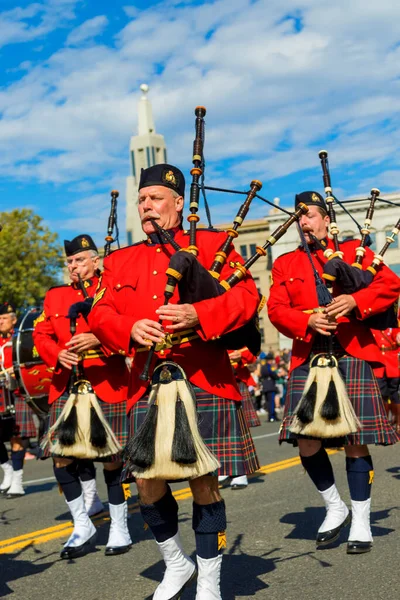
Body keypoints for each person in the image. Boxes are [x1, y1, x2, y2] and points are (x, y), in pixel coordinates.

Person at [89, 163, 260, 599]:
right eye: (141, 200)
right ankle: (176, 563)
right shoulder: (120, 259)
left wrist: (200, 314)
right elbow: (101, 313)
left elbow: (246, 297)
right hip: (146, 382)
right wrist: (127, 329)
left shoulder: (213, 243)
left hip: (202, 377)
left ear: (179, 204)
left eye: (155, 199)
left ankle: (209, 581)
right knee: (146, 483)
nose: (146, 206)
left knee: (203, 482)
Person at [268, 191, 400, 554]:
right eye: (299, 218)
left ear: (327, 219)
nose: (304, 222)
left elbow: (390, 284)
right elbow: (276, 309)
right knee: (306, 441)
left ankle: (360, 519)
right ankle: (334, 505)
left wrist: (356, 300)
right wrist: (305, 319)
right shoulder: (285, 263)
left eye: (309, 215)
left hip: (352, 352)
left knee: (355, 439)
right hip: (308, 355)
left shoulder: (356, 252)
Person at [33, 235, 131, 559]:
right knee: (61, 457)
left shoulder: (112, 288)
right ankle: (82, 525)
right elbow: (41, 334)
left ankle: (120, 526)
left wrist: (98, 341)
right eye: (70, 262)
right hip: (68, 384)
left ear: (95, 261)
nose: (74, 267)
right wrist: (56, 354)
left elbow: (127, 330)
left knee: (112, 459)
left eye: (79, 260)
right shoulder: (55, 296)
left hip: (107, 380)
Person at [0, 302, 37, 497]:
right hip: (0, 390)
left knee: (17, 437)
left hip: (18, 391)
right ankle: (7, 469)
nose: (0, 322)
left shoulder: (20, 338)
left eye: (4, 318)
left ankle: (17, 480)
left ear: (13, 320)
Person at [219, 348, 261, 490]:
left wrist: (242, 355)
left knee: (238, 429)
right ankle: (225, 468)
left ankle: (240, 474)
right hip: (216, 381)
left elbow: (253, 350)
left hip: (236, 381)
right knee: (218, 429)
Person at [371, 327, 400, 433]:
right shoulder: (370, 326)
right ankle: (384, 424)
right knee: (381, 394)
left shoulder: (393, 325)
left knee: (395, 393)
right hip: (378, 363)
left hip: (393, 362)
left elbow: (396, 332)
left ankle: (399, 423)